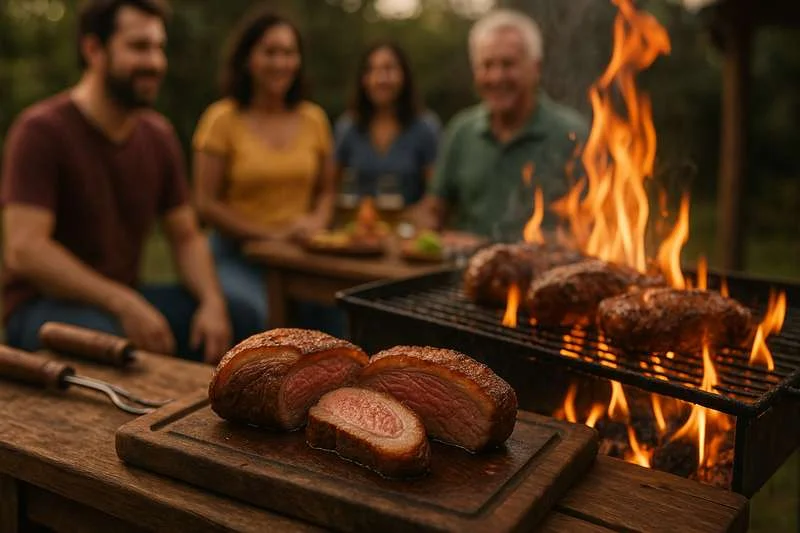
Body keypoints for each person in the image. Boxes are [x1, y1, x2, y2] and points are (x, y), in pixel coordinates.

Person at [0, 0, 239, 364]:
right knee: (113, 343)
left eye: (160, 47)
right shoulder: (40, 131)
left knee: (242, 319)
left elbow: (186, 236)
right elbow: (25, 249)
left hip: (126, 296)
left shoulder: (158, 135)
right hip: (41, 308)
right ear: (93, 49)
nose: (156, 63)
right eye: (139, 47)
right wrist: (122, 302)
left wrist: (212, 302)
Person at [192, 9, 339, 334]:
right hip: (238, 254)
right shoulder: (221, 119)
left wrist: (316, 222)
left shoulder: (314, 118)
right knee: (255, 317)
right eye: (270, 52)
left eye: (288, 52)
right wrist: (268, 234)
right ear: (248, 59)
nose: (280, 63)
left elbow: (327, 191)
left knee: (336, 322)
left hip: (301, 256)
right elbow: (205, 203)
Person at [416, 9, 589, 240]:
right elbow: (434, 209)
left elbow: (594, 229)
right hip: (465, 272)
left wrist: (490, 248)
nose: (496, 77)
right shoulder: (461, 131)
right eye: (487, 66)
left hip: (545, 272)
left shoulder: (572, 134)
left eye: (508, 64)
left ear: (535, 68)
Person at [334, 41, 439, 210]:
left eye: (389, 69)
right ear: (364, 79)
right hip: (357, 229)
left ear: (404, 75)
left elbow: (436, 194)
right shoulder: (347, 127)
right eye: (372, 70)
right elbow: (331, 189)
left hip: (408, 230)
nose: (381, 79)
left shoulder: (425, 127)